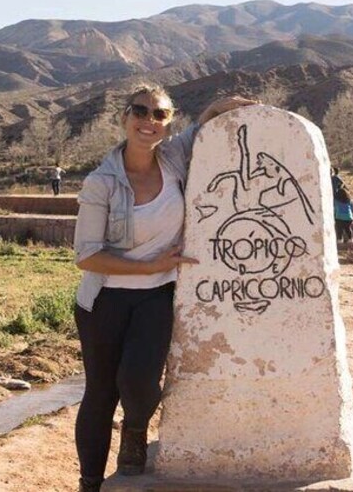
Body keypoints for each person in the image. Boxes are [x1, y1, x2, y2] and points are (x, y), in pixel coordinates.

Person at [72, 85, 256, 492]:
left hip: (156, 295)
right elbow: (86, 256)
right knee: (100, 393)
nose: (148, 121)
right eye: (140, 111)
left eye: (159, 114)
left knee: (139, 383)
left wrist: (221, 105)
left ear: (168, 122)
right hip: (103, 300)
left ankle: (135, 431)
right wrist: (150, 264)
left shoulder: (173, 159)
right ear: (124, 117)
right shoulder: (101, 182)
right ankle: (89, 483)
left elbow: (202, 127)